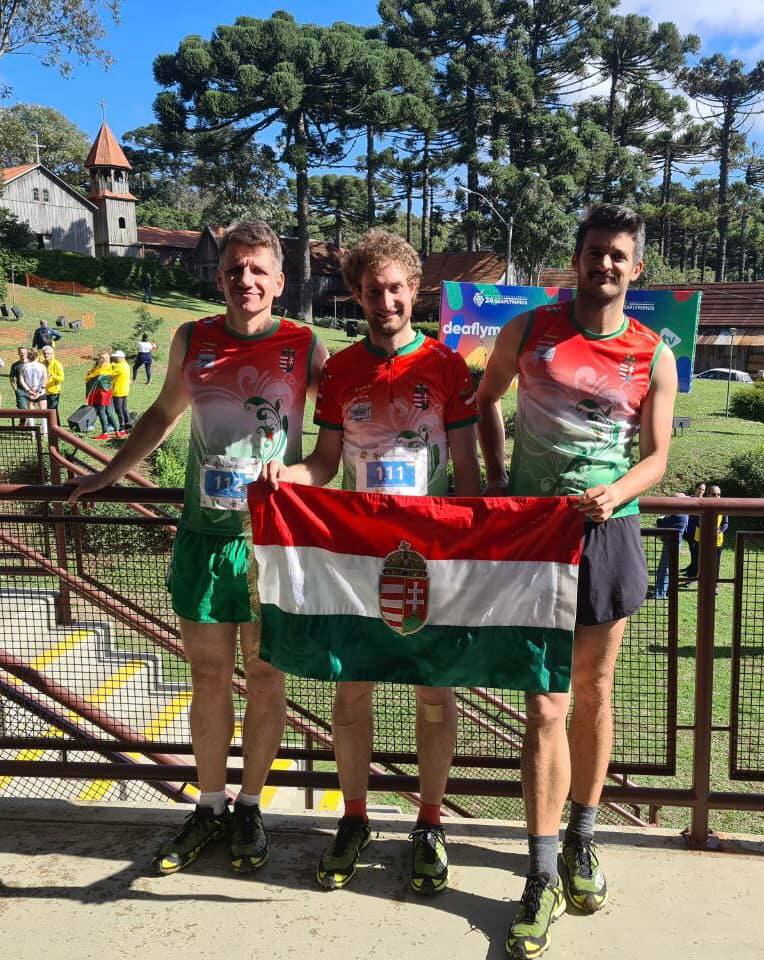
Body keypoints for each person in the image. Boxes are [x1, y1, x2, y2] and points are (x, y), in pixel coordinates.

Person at [70, 220, 328, 875]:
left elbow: (336, 437)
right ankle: (208, 805)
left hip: (272, 542)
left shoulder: (305, 345)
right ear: (220, 278)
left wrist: (298, 475)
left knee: (265, 678)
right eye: (235, 269)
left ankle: (250, 807)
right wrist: (109, 473)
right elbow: (162, 414)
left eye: (258, 270)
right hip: (204, 538)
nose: (246, 280)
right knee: (209, 677)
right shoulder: (194, 338)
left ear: (279, 281)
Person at [476, 204, 677, 959]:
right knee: (544, 703)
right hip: (534, 536)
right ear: (577, 258)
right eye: (595, 252)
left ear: (636, 268)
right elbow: (484, 400)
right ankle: (539, 870)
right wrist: (498, 479)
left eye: (618, 255)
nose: (605, 264)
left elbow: (657, 458)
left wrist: (616, 492)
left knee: (592, 691)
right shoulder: (529, 329)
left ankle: (582, 838)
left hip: (607, 533)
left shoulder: (653, 353)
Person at [264, 229, 481, 895]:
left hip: (429, 557)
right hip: (357, 559)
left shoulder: (446, 366)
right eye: (372, 291)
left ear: (414, 291)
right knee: (351, 688)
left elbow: (467, 472)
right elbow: (325, 463)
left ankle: (429, 822)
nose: (385, 301)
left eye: (395, 289)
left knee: (434, 693)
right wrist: (286, 476)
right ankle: (354, 817)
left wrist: (470, 550)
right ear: (356, 296)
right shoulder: (339, 372)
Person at [652, 493, 689, 600]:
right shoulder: (679, 513)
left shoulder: (678, 515)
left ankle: (660, 593)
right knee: (666, 568)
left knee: (665, 568)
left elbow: (661, 528)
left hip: (672, 544)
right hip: (672, 543)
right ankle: (663, 591)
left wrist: (661, 517)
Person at [695, 484, 728, 585]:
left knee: (716, 563)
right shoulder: (701, 505)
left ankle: (715, 584)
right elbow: (696, 521)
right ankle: (701, 582)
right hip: (702, 539)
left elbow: (725, 523)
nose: (717, 497)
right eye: (714, 494)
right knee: (701, 562)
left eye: (719, 494)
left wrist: (720, 531)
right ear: (708, 494)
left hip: (717, 540)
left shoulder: (724, 507)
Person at [85, 351, 120, 439]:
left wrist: (90, 375)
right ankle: (118, 431)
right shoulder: (108, 366)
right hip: (107, 392)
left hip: (101, 393)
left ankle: (105, 433)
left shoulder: (103, 369)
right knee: (109, 412)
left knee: (102, 412)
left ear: (104, 359)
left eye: (100, 358)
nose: (98, 360)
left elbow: (94, 379)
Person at [19, 348, 48, 434]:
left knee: (30, 414)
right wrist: (39, 391)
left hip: (29, 393)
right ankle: (45, 433)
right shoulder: (42, 366)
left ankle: (32, 434)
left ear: (28, 356)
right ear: (37, 356)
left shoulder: (24, 366)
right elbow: (45, 379)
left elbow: (21, 380)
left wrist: (28, 390)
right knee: (44, 413)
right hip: (41, 392)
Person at [683, 481, 706, 580]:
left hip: (698, 532)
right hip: (688, 530)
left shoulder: (705, 501)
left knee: (695, 551)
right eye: (700, 488)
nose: (701, 491)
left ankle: (692, 571)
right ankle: (691, 567)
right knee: (692, 550)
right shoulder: (689, 499)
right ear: (695, 489)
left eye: (703, 490)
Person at [41, 345, 65, 426]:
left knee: (52, 410)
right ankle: (56, 426)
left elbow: (62, 378)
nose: (46, 355)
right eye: (44, 353)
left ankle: (54, 427)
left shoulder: (57, 364)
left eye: (48, 353)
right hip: (44, 391)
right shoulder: (42, 364)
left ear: (52, 354)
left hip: (54, 391)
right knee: (50, 410)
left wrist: (52, 375)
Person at [110, 350, 132, 435]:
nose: (115, 359)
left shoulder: (119, 367)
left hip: (118, 391)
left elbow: (109, 374)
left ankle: (122, 428)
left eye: (116, 357)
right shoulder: (126, 365)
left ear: (122, 358)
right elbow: (115, 366)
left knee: (119, 410)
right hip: (124, 390)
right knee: (124, 409)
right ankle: (128, 426)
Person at [9, 347, 30, 411]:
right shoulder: (15, 365)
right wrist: (16, 390)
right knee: (22, 410)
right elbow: (12, 379)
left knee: (31, 410)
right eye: (21, 353)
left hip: (31, 391)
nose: (22, 354)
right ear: (18, 353)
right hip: (20, 391)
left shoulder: (32, 364)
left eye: (24, 353)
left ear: (27, 353)